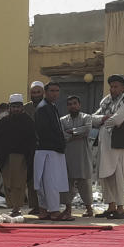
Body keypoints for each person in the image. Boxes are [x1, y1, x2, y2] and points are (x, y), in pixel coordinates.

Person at [91, 74, 124, 220]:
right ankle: (111, 207)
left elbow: (117, 119)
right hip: (105, 145)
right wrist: (103, 118)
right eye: (111, 87)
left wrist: (103, 120)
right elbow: (92, 118)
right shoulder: (106, 102)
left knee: (118, 177)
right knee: (106, 177)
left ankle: (120, 209)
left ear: (123, 87)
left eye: (116, 86)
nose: (112, 89)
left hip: (118, 146)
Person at [0, 94, 35, 217]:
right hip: (6, 157)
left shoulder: (28, 122)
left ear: (22, 107)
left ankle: (17, 208)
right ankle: (12, 206)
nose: (16, 109)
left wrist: (29, 158)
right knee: (8, 183)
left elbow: (32, 141)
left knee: (18, 184)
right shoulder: (3, 122)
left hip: (21, 158)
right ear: (9, 107)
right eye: (13, 106)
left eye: (18, 106)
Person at [33, 82, 69, 220]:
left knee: (46, 182)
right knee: (49, 182)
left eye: (57, 90)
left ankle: (44, 210)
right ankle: (53, 211)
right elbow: (46, 132)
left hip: (52, 150)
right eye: (52, 90)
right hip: (47, 150)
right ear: (45, 92)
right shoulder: (43, 108)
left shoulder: (51, 107)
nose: (55, 93)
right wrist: (59, 144)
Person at [60, 95, 95, 218]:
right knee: (67, 183)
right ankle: (68, 209)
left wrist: (71, 132)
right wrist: (76, 133)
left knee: (84, 182)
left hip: (82, 156)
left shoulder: (87, 117)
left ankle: (89, 209)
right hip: (68, 156)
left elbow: (87, 130)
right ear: (67, 106)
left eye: (75, 103)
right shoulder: (63, 120)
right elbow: (62, 135)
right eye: (70, 104)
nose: (72, 106)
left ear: (79, 105)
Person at [23, 80, 46, 213]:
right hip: (29, 147)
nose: (36, 94)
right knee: (31, 177)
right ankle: (35, 205)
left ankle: (45, 205)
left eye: (38, 92)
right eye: (33, 92)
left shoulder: (48, 106)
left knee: (44, 177)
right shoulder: (26, 108)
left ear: (42, 93)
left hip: (44, 146)